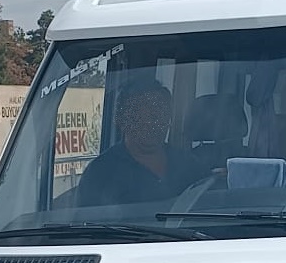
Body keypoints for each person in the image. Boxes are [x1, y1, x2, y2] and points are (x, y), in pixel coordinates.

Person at [75, 79, 202, 207]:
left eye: (158, 116)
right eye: (142, 117)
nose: (152, 124)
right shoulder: (100, 173)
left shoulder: (189, 164)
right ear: (123, 121)